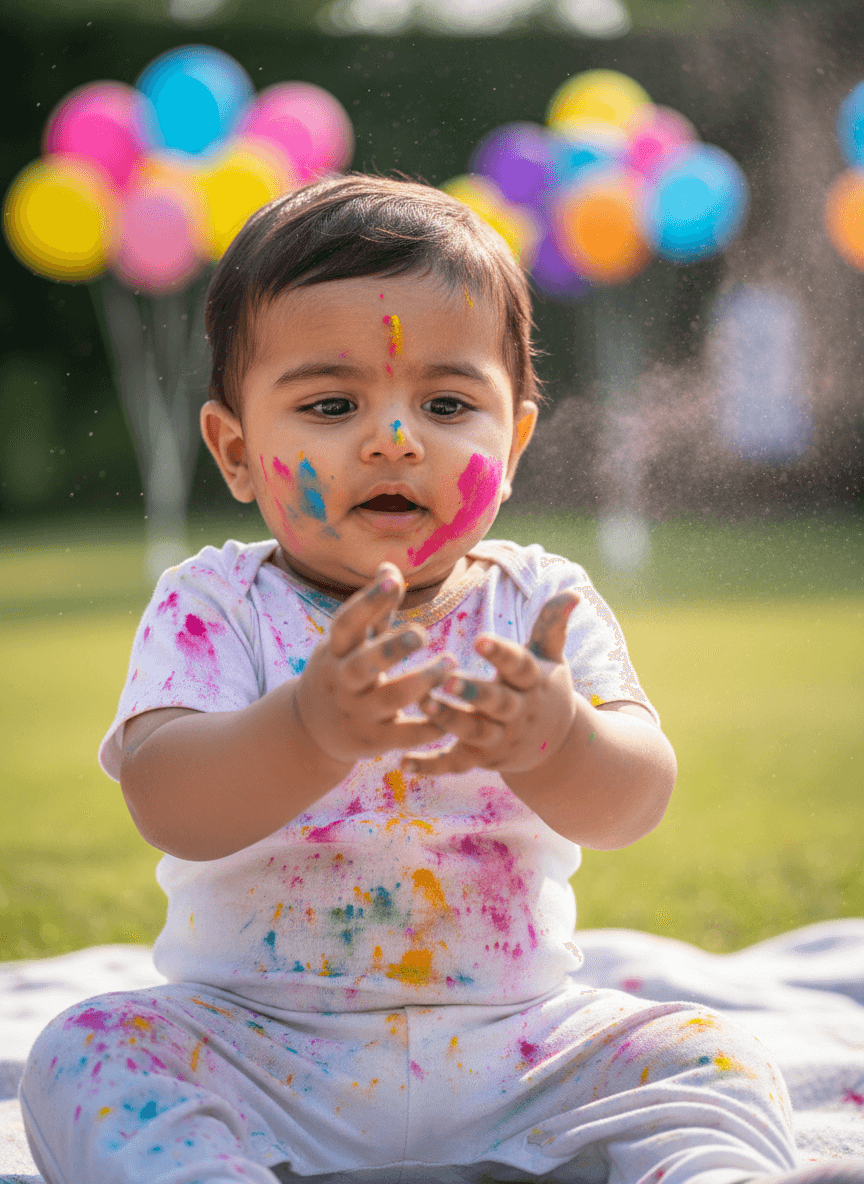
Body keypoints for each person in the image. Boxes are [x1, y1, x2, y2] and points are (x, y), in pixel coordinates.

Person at [19, 174, 851, 1184]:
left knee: (707, 1055)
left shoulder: (541, 600)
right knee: (88, 1052)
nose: (395, 438)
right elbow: (167, 801)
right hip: (263, 1047)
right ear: (236, 450)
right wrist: (307, 725)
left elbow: (637, 797)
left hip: (519, 1047)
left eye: (449, 402)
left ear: (512, 447)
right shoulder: (214, 603)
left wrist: (563, 740)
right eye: (332, 402)